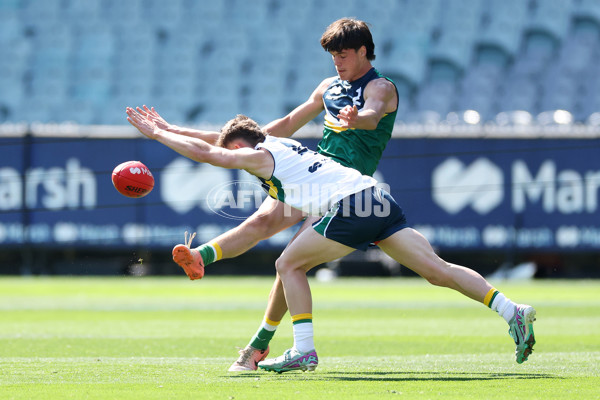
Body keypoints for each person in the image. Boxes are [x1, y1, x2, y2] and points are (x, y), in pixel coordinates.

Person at [126, 111, 537, 373]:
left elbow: (213, 153)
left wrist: (159, 137)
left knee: (288, 265)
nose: (235, 158)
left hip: (351, 205)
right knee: (438, 271)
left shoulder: (260, 155)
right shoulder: (280, 152)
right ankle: (511, 309)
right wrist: (167, 127)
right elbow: (250, 217)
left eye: (235, 149)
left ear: (246, 144)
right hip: (376, 198)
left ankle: (303, 349)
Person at [135, 18, 400, 371]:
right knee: (265, 224)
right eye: (332, 55)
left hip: (345, 188)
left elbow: (371, 116)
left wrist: (357, 118)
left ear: (363, 51)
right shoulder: (328, 88)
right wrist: (175, 130)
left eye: (343, 54)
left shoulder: (379, 88)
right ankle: (203, 260)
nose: (337, 61)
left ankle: (259, 345)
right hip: (312, 172)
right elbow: (280, 127)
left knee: (290, 263)